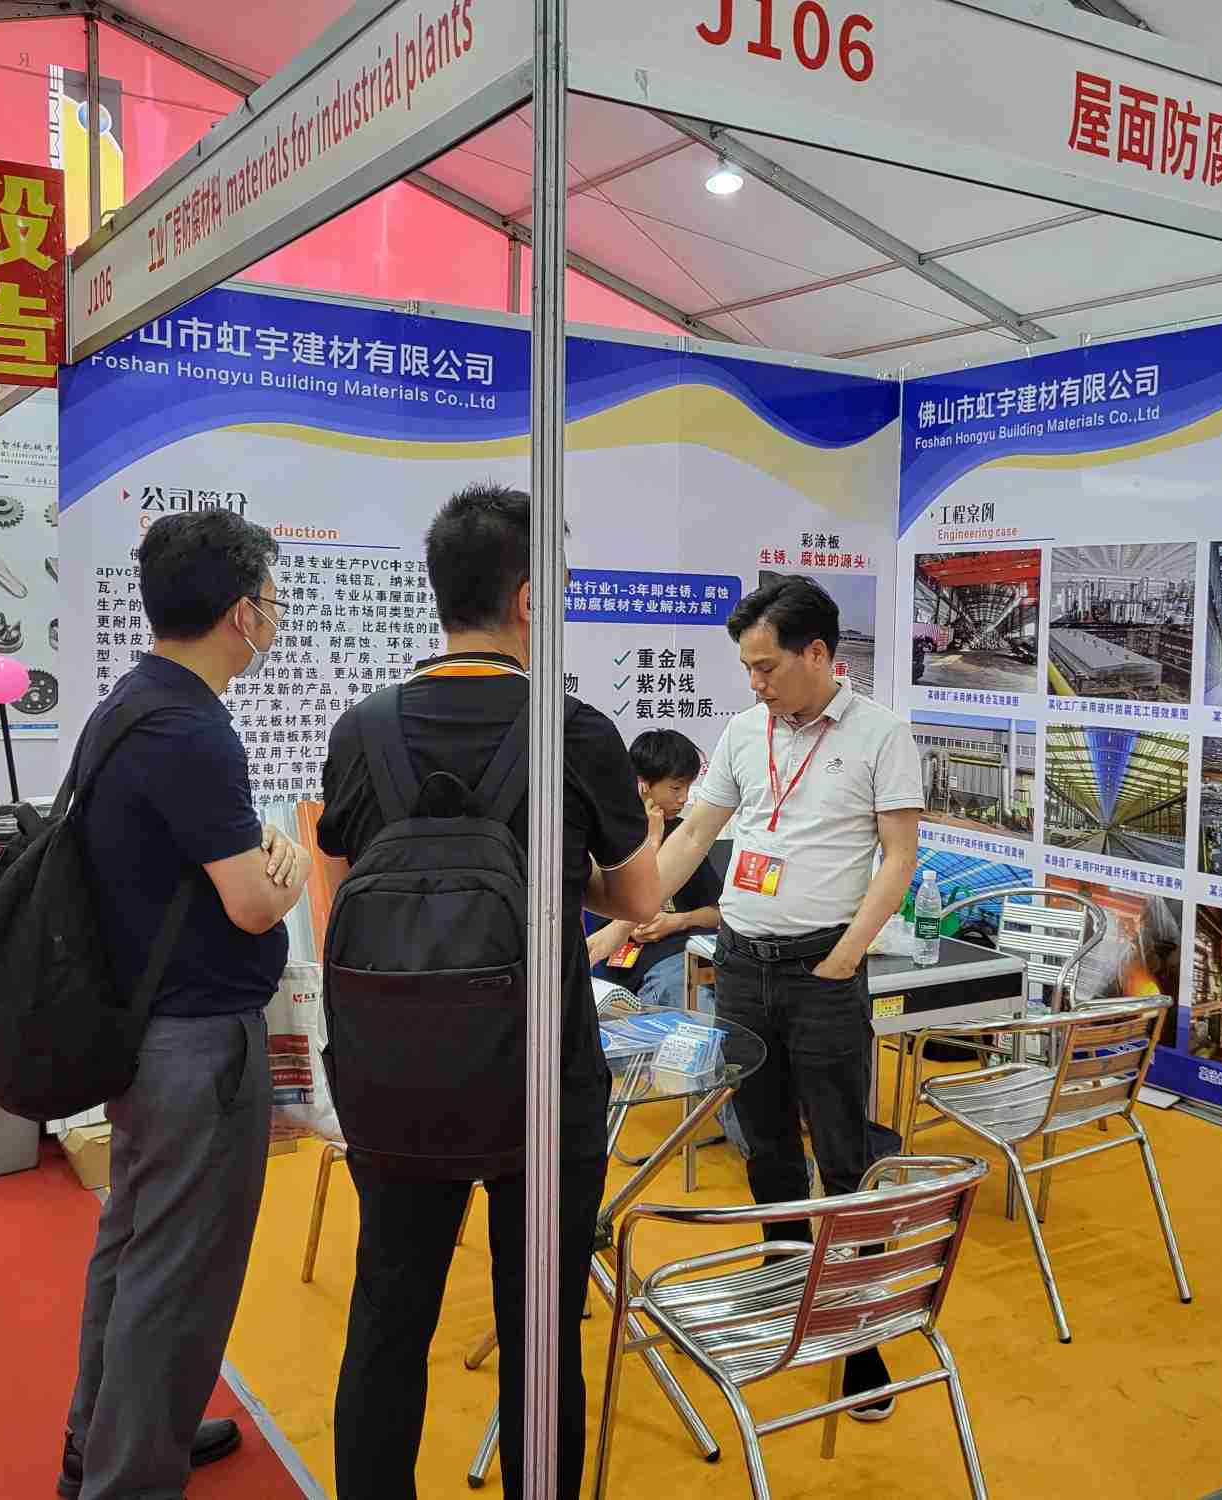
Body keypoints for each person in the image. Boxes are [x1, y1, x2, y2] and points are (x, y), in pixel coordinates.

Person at [318, 483, 661, 1500]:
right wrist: (554, 876)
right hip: (541, 1080)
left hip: (393, 1071)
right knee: (540, 1329)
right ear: (527, 599)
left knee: (388, 1316)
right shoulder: (576, 731)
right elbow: (638, 899)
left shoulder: (361, 729)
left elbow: (341, 879)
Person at [60, 510, 310, 1500]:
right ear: (243, 613)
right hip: (197, 1042)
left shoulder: (132, 703)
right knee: (180, 1270)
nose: (276, 618)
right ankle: (129, 1475)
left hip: (147, 1028)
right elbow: (251, 901)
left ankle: (108, 1437)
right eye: (274, 601)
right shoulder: (193, 729)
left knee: (134, 1245)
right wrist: (289, 871)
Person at [651, 575, 923, 1419]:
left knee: (842, 1154)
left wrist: (845, 957)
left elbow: (899, 857)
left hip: (822, 974)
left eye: (766, 666)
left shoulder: (881, 734)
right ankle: (783, 1293)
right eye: (747, 667)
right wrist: (632, 911)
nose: (755, 682)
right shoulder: (744, 731)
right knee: (765, 1146)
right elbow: (696, 832)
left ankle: (856, 1333)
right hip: (741, 966)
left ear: (818, 653)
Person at [587, 728, 745, 1152]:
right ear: (643, 785)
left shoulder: (684, 837)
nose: (683, 798)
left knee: (740, 1019)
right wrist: (652, 839)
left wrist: (678, 922)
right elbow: (617, 910)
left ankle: (768, 1128)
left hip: (694, 956)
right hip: (637, 973)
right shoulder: (603, 835)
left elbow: (718, 913)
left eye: (688, 788)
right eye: (676, 788)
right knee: (705, 1028)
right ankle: (754, 1143)